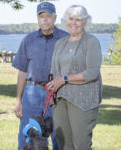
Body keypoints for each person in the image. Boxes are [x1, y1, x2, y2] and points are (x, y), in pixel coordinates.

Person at [12, 2, 69, 150]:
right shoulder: (29, 39)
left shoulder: (66, 39)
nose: (44, 19)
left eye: (48, 16)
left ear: (55, 18)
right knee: (27, 135)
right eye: (41, 16)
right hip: (32, 93)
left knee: (59, 136)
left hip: (57, 94)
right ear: (38, 18)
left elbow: (73, 68)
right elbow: (22, 71)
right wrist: (18, 100)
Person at [47, 5, 102, 150]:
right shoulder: (60, 43)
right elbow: (54, 71)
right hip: (59, 100)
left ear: (85, 22)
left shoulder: (91, 42)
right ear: (66, 20)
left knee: (81, 143)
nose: (74, 23)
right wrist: (52, 89)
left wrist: (64, 79)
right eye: (71, 18)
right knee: (63, 142)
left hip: (83, 100)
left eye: (78, 19)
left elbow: (92, 72)